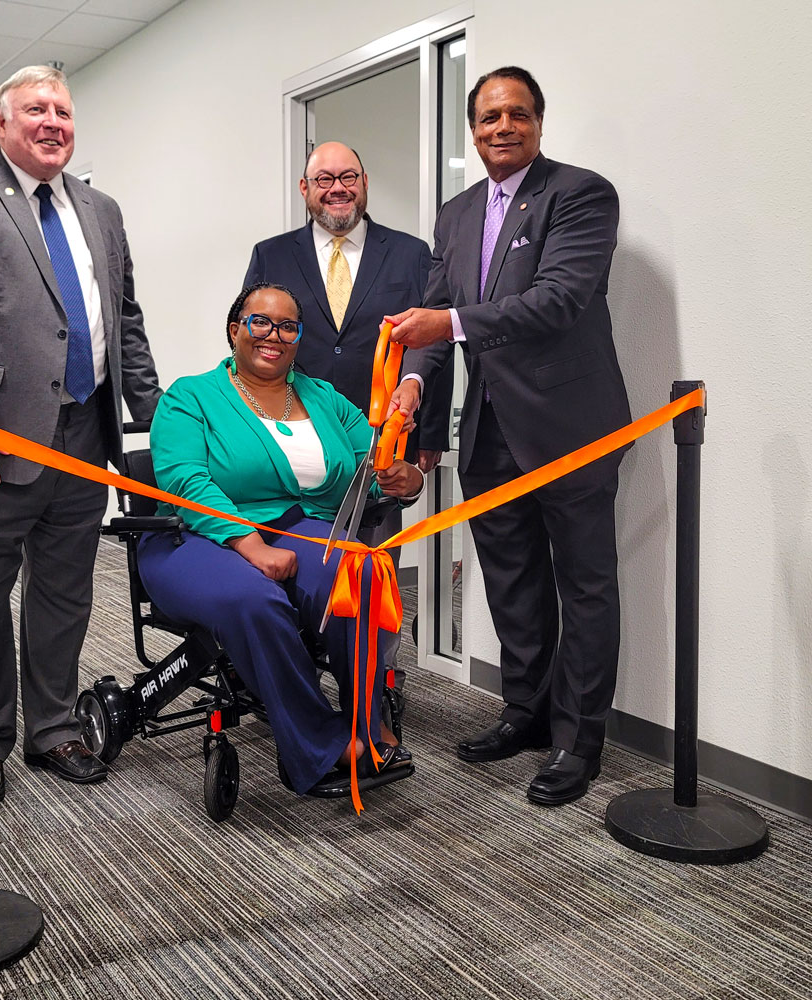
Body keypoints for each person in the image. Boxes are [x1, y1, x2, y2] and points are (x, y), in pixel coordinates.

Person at [0, 65, 162, 805]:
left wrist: (157, 419)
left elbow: (123, 322)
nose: (53, 122)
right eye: (36, 109)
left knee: (65, 593)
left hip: (83, 433)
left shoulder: (100, 208)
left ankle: (52, 727)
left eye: (64, 111)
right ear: (2, 123)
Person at [385, 67, 631, 806]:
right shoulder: (455, 213)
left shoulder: (581, 195)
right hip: (487, 430)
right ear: (473, 128)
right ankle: (524, 712)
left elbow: (556, 301)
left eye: (517, 114)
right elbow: (430, 316)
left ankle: (576, 739)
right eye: (490, 116)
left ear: (539, 123)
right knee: (512, 580)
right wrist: (418, 382)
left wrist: (450, 326)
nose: (503, 127)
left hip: (571, 429)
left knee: (584, 586)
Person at [137, 283, 423, 796]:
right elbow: (185, 482)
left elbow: (372, 461)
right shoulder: (191, 396)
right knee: (255, 599)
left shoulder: (323, 397)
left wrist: (404, 477)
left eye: (288, 325)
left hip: (299, 526)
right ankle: (316, 745)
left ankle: (366, 720)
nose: (274, 334)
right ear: (235, 330)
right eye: (260, 322)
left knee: (361, 571)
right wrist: (252, 545)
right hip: (194, 537)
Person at [243, 140, 453, 702]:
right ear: (305, 189)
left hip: (384, 441)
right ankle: (296, 679)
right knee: (298, 557)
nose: (338, 187)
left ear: (365, 182)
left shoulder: (410, 254)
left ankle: (371, 684)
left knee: (375, 563)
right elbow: (252, 339)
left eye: (350, 176)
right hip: (291, 442)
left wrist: (426, 434)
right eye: (325, 178)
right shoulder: (272, 254)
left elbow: (433, 343)